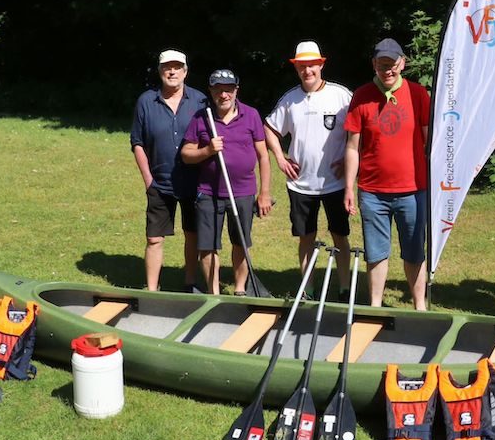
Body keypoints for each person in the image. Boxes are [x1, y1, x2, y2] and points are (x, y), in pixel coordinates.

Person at [343, 38, 430, 310]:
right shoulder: (362, 96)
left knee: (415, 250)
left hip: (413, 190)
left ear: (402, 63)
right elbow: (352, 147)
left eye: (392, 65)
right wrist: (349, 188)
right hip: (372, 192)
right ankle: (376, 306)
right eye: (382, 66)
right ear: (374, 65)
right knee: (376, 252)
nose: (387, 71)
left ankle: (420, 306)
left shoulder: (418, 94)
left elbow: (430, 144)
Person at [265, 41, 353, 300]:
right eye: (302, 66)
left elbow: (358, 130)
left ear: (321, 64)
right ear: (296, 68)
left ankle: (345, 287)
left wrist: (348, 159)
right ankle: (308, 288)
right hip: (301, 183)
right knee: (306, 238)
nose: (307, 71)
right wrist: (280, 158)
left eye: (312, 65)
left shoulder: (341, 96)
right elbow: (269, 129)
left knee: (340, 235)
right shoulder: (290, 99)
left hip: (335, 183)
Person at [181, 69, 272, 295]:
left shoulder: (251, 115)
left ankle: (240, 289)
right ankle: (214, 293)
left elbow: (263, 155)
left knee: (240, 242)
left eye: (228, 90)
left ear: (236, 91)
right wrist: (208, 150)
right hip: (208, 193)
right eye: (218, 90)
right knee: (207, 246)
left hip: (243, 192)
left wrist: (265, 192)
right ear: (211, 91)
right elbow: (185, 153)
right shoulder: (201, 117)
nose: (224, 95)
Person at [130, 49, 208, 292]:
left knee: (193, 233)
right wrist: (148, 180)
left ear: (185, 72)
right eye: (167, 67)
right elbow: (137, 142)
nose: (172, 71)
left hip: (194, 180)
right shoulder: (146, 101)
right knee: (154, 238)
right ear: (160, 71)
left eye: (177, 67)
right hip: (159, 182)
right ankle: (152, 290)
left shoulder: (200, 101)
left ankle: (190, 283)